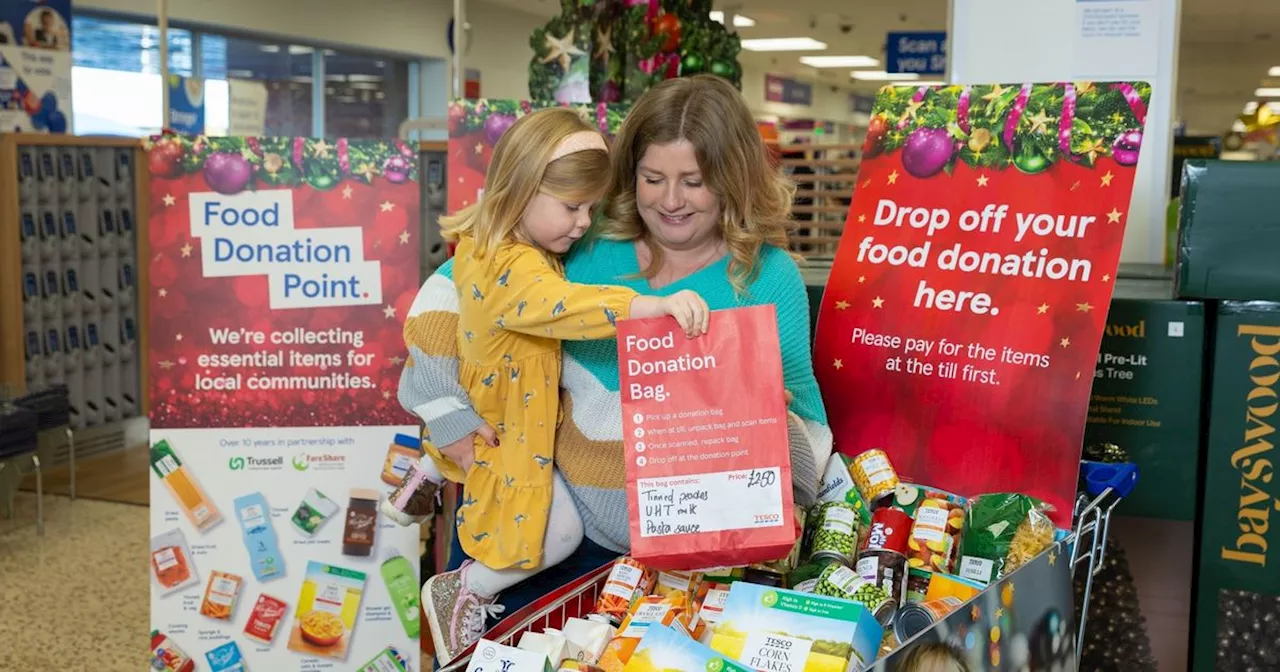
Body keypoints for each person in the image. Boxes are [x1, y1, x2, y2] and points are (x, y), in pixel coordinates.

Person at [398, 74, 833, 663]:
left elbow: (807, 437)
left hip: (669, 573)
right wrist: (445, 415)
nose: (670, 200)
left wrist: (770, 427)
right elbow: (453, 301)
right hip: (529, 526)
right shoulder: (579, 234)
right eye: (653, 179)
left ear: (732, 179)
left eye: (694, 182)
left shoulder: (767, 277)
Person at [387, 107, 710, 664]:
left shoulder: (505, 249)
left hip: (513, 419)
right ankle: (469, 587)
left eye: (591, 207)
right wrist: (646, 306)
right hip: (508, 432)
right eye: (571, 207)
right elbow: (555, 307)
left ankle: (428, 474)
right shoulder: (514, 267)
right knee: (556, 535)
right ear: (522, 189)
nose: (583, 222)